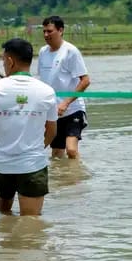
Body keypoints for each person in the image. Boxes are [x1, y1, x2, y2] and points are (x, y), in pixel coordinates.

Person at [0, 38, 58, 216]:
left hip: (3, 165)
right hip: (33, 165)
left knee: (3, 216)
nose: (3, 64)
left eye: (3, 60)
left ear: (10, 61)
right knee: (31, 223)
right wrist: (36, 149)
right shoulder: (47, 91)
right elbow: (52, 131)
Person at [37, 15, 91, 159]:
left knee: (71, 150)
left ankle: (78, 178)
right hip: (53, 112)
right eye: (44, 32)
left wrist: (65, 103)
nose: (46, 35)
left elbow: (85, 81)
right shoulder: (43, 52)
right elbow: (42, 83)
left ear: (60, 30)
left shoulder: (70, 51)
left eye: (49, 31)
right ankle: (61, 180)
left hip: (73, 110)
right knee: (56, 155)